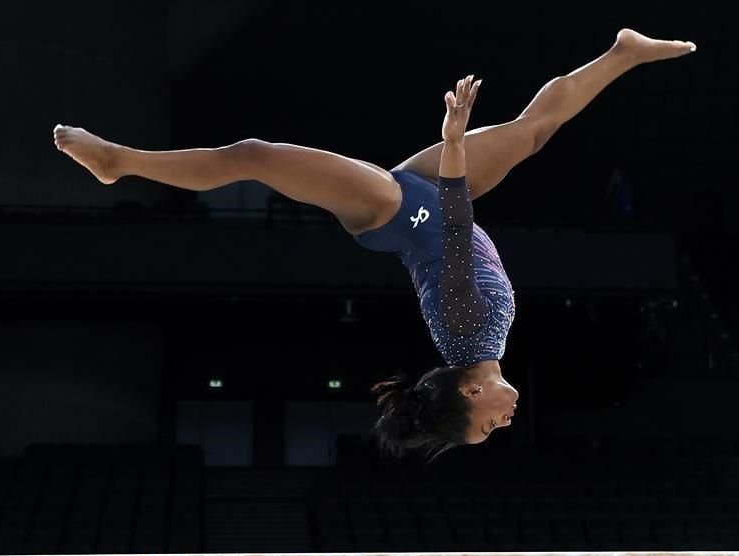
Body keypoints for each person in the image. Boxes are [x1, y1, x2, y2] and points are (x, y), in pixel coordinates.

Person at [53, 28, 696, 459]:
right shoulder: (483, 343)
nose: (504, 422)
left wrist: (451, 140)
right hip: (424, 204)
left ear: (471, 394)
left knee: (255, 156)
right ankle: (622, 53)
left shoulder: (468, 330)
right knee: (532, 134)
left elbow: (451, 221)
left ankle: (121, 162)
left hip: (400, 214)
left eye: (489, 424)